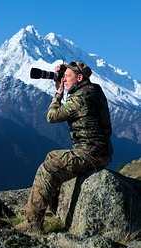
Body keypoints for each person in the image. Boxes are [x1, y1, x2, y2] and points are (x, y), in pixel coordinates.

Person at [15, 61, 113, 233]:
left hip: (90, 153)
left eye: (68, 77)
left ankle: (32, 224)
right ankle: (52, 210)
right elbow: (76, 81)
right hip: (100, 151)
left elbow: (51, 117)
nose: (64, 79)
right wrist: (66, 72)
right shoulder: (94, 90)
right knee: (52, 156)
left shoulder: (80, 99)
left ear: (80, 78)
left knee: (48, 168)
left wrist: (58, 93)